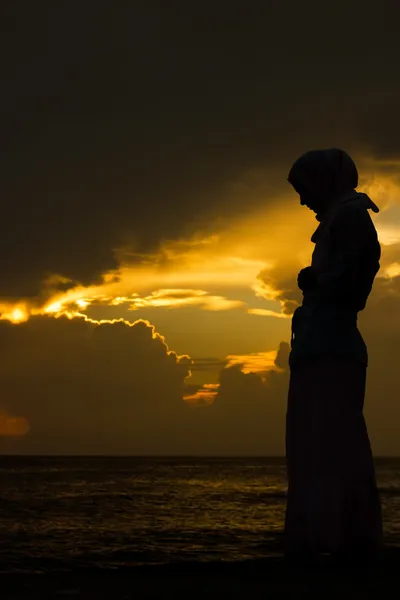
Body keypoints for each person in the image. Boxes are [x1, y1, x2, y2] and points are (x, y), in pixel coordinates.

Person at [284, 148, 383, 565]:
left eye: (305, 190)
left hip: (332, 348)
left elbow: (348, 279)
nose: (304, 201)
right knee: (316, 445)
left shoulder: (351, 219)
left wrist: (314, 280)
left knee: (331, 445)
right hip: (322, 346)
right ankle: (330, 534)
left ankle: (342, 537)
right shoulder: (340, 220)